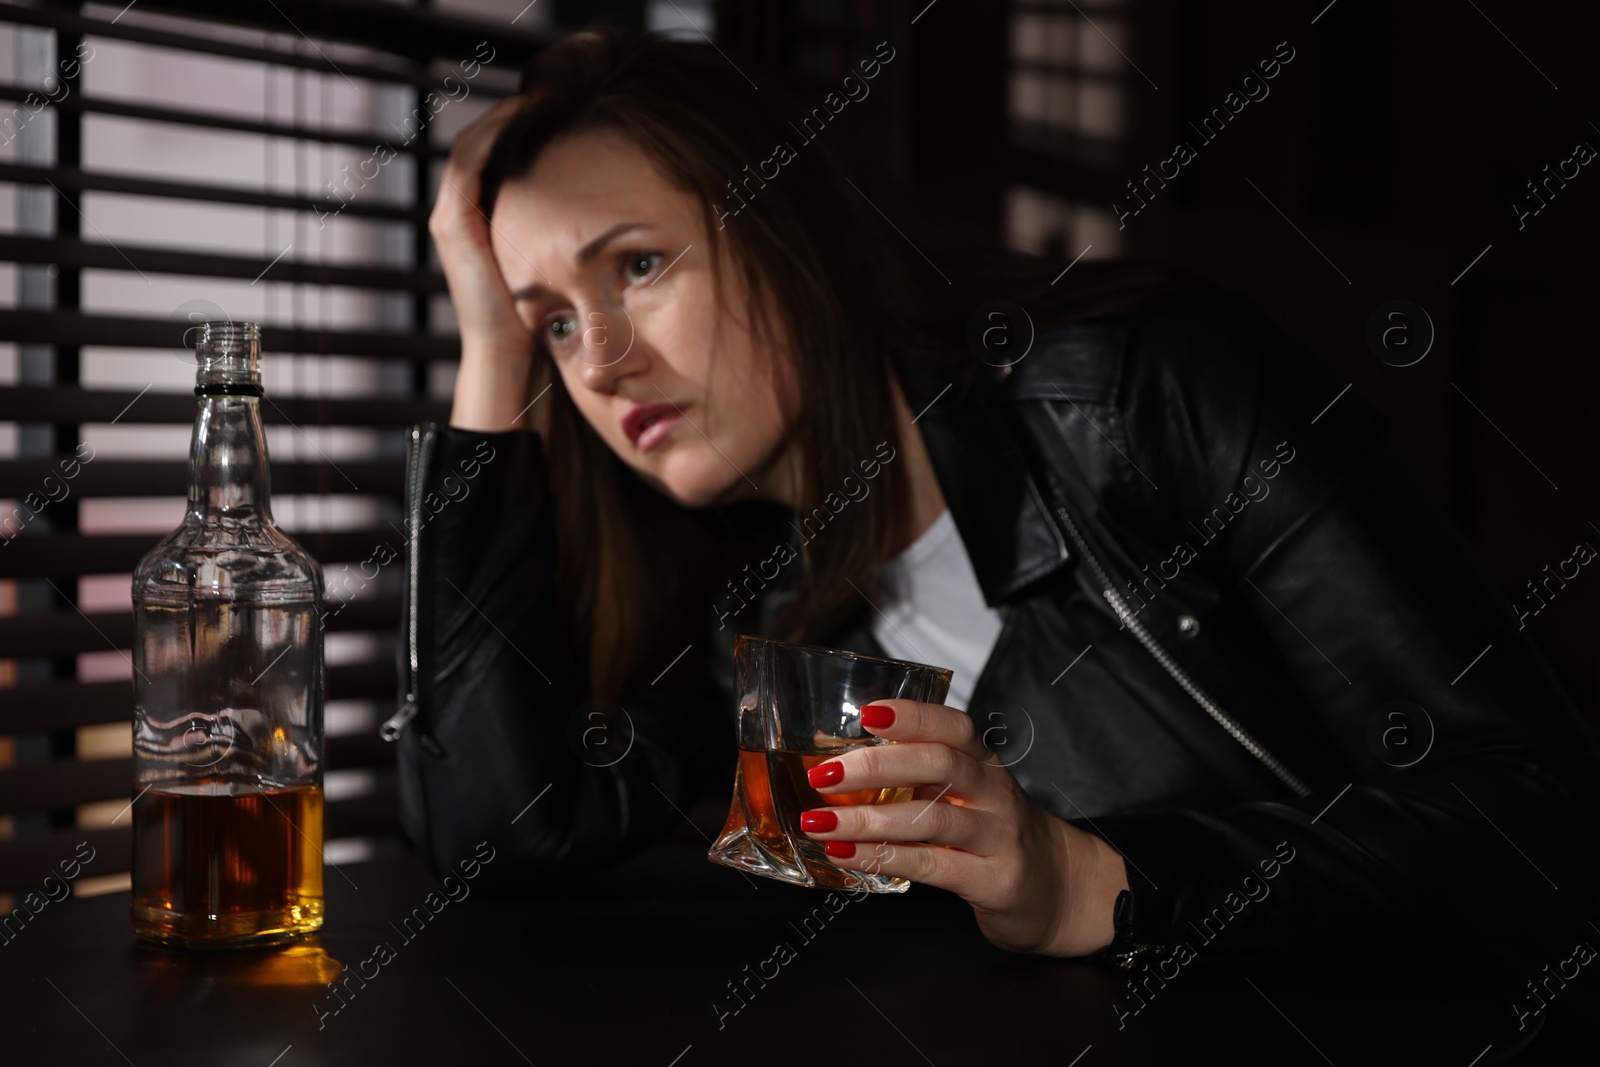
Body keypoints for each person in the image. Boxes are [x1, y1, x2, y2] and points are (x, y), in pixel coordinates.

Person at [387, 28, 1600, 967]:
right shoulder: (742, 618)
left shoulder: (1138, 390)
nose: (595, 360)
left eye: (638, 264)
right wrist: (487, 352)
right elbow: (497, 834)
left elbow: (1536, 818)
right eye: (551, 321)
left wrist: (1088, 880)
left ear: (793, 229)